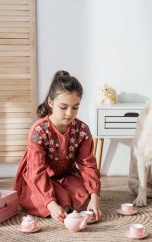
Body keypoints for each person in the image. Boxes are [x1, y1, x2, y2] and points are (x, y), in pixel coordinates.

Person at [14, 70, 102, 223]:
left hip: (66, 176)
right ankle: (52, 200)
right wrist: (50, 202)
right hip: (38, 179)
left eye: (75, 107)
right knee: (61, 206)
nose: (69, 113)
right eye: (63, 107)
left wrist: (95, 196)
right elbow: (36, 171)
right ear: (51, 103)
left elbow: (88, 165)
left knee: (85, 203)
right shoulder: (39, 131)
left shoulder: (82, 130)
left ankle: (66, 197)